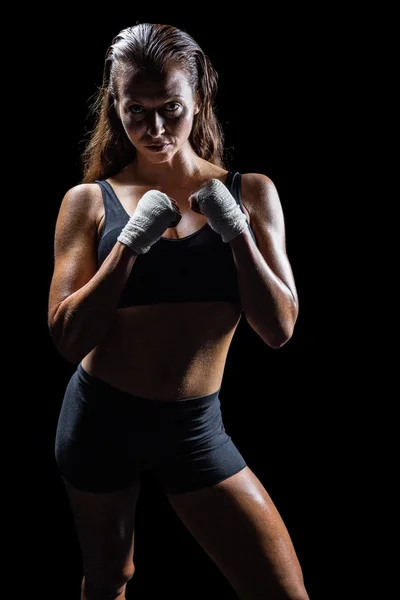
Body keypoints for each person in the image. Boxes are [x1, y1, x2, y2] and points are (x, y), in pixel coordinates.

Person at [48, 22, 309, 600]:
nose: (156, 127)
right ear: (114, 107)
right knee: (110, 578)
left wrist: (236, 231)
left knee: (281, 592)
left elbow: (279, 328)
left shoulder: (251, 192)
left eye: (171, 107)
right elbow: (67, 338)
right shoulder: (90, 202)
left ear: (198, 101)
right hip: (102, 420)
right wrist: (129, 245)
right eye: (135, 109)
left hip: (194, 428)